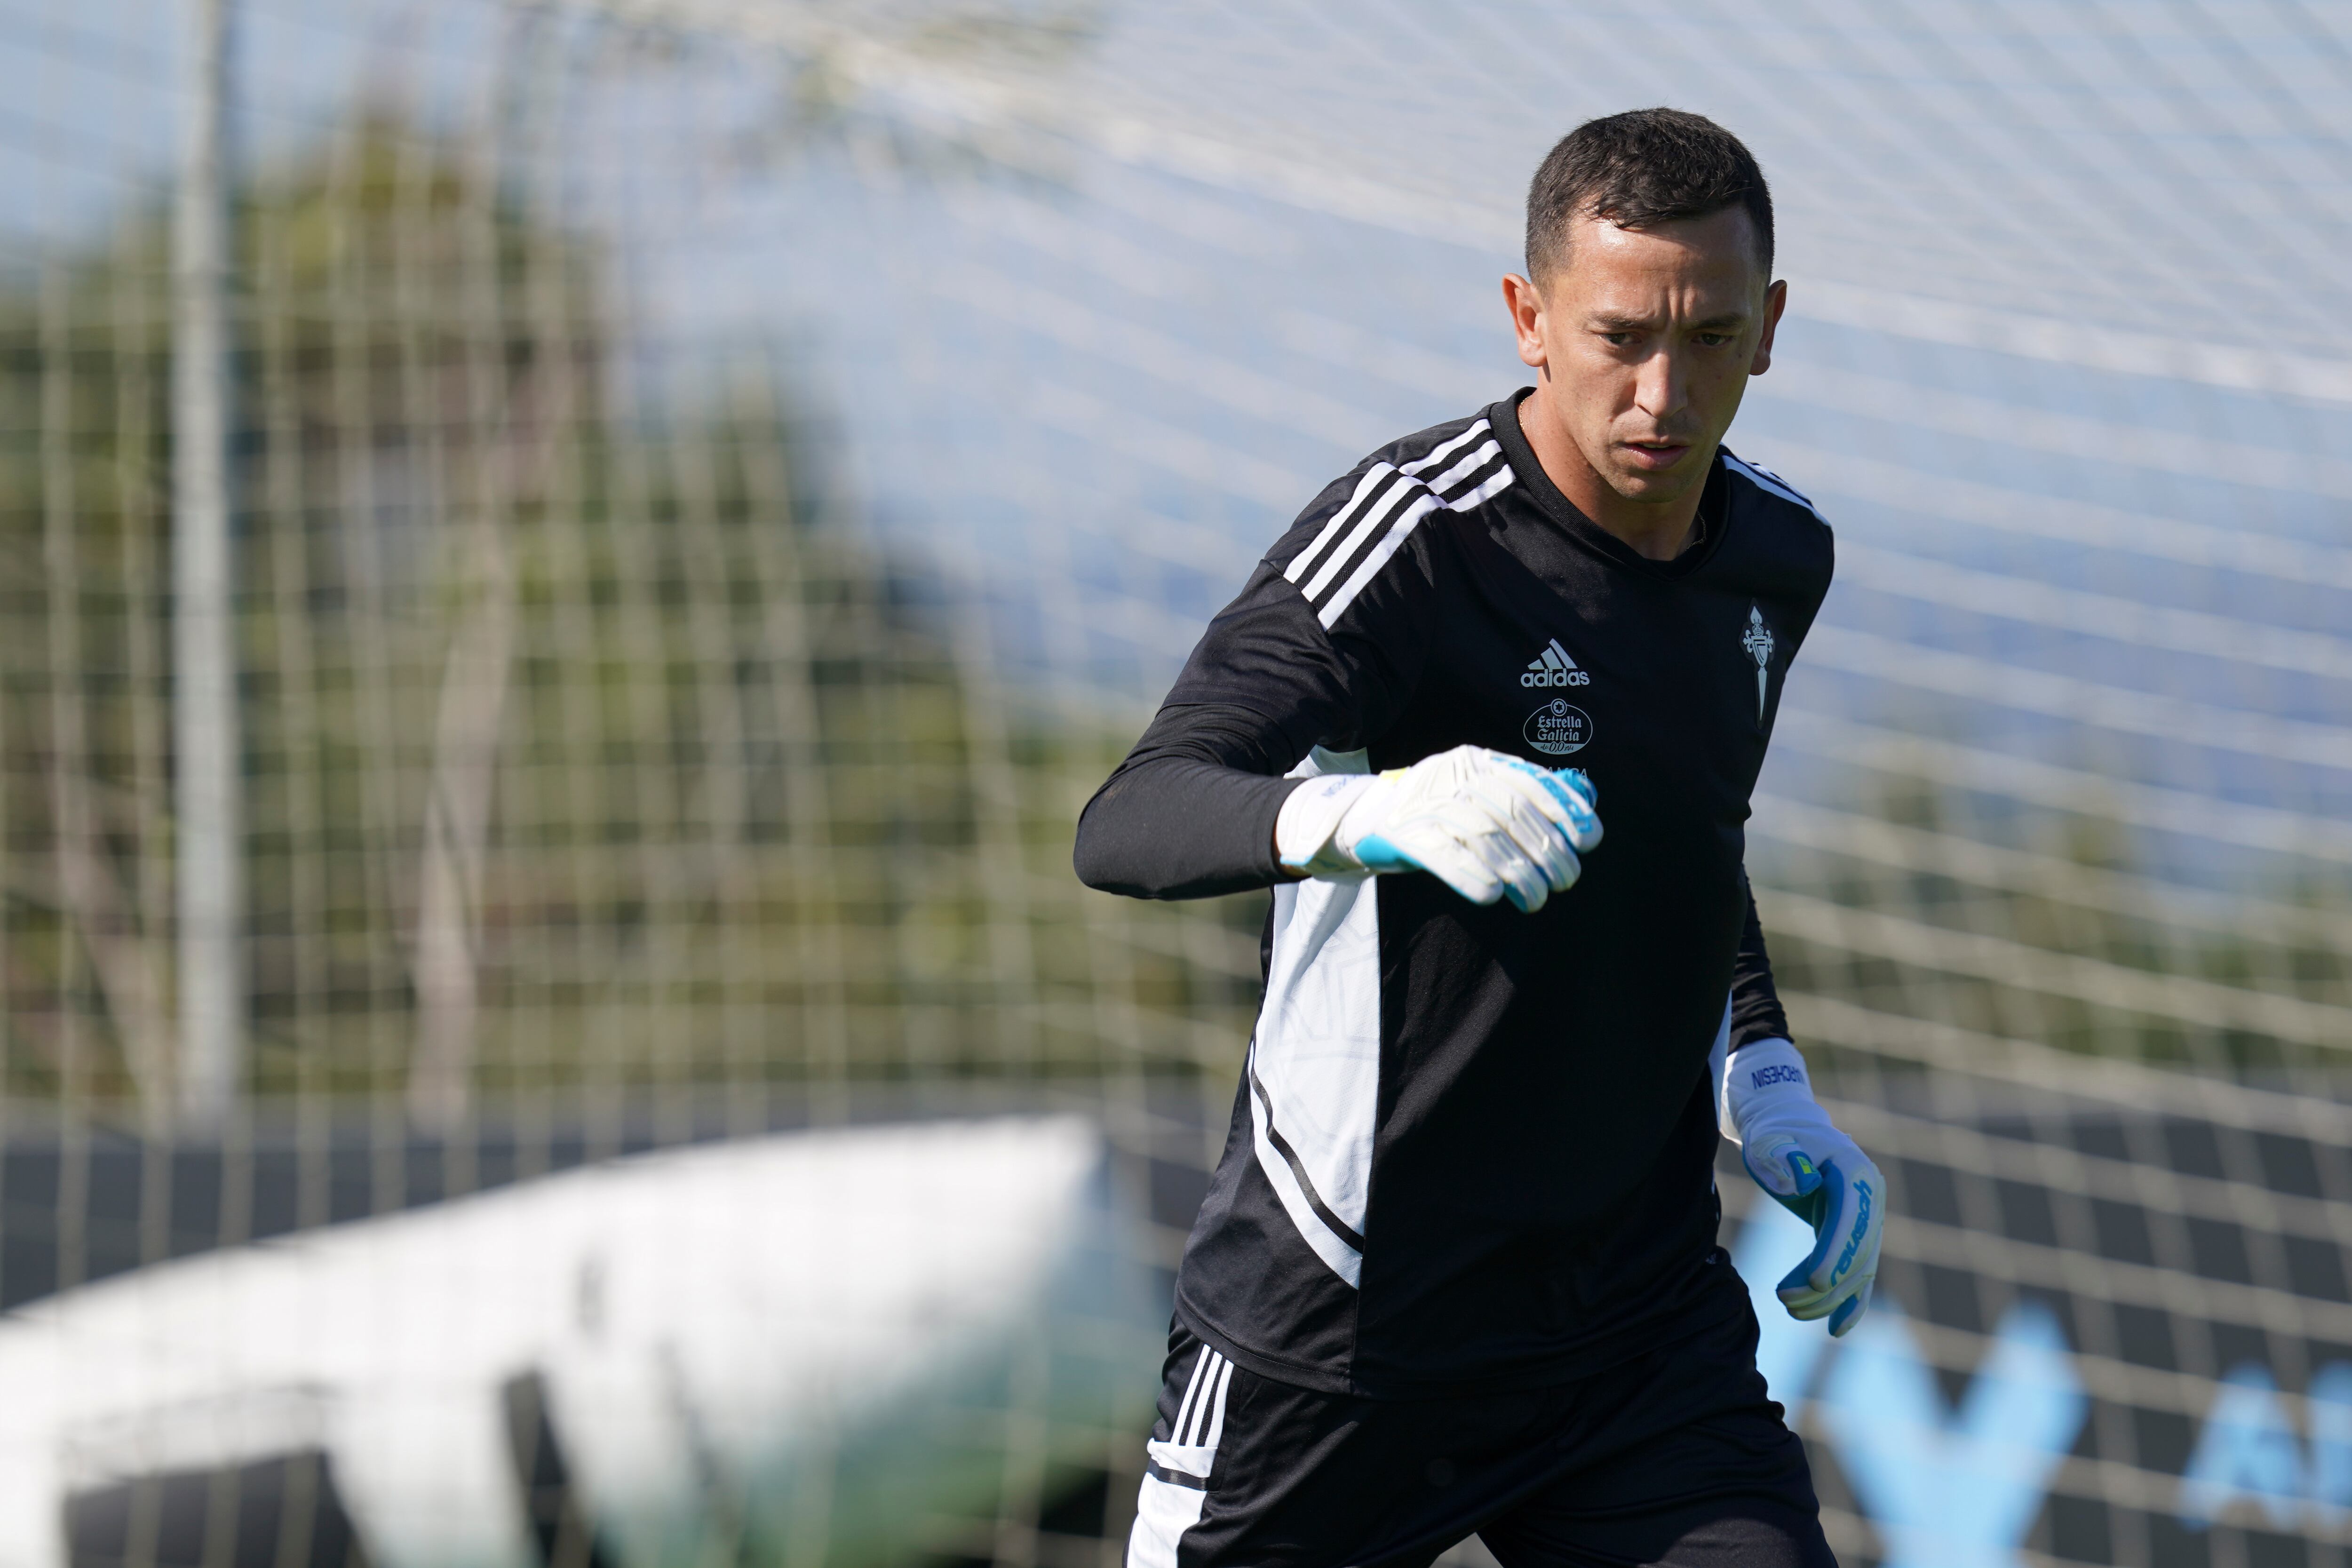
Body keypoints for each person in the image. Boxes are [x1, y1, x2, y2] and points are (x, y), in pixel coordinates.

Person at [1074, 108, 1885, 1568]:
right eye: (1619, 334)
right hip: (1341, 1335)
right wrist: (1366, 815)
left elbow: (1688, 837)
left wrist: (1765, 1076)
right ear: (1529, 318)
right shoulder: (1412, 540)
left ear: (1770, 328)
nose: (1663, 390)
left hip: (1630, 1342)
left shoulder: (1778, 557)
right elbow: (1131, 819)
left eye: (1709, 338)